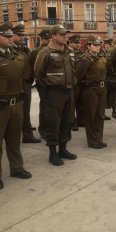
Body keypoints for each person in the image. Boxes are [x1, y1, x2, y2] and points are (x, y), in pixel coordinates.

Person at [34, 25, 77, 166]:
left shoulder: (69, 51)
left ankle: (63, 149)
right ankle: (52, 152)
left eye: (66, 34)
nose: (66, 37)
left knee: (68, 120)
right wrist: (48, 88)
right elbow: (38, 73)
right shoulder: (45, 52)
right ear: (53, 36)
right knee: (53, 122)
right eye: (62, 34)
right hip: (55, 93)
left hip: (69, 91)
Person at [0, 22, 32, 190]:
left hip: (16, 102)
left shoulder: (16, 54)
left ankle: (17, 168)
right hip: (1, 106)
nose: (10, 38)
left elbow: (24, 75)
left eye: (10, 36)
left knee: (14, 140)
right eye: (6, 36)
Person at [75, 36, 107, 149]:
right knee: (90, 116)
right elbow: (78, 76)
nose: (98, 47)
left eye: (99, 45)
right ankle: (92, 140)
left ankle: (99, 138)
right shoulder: (85, 59)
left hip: (102, 89)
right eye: (95, 45)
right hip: (90, 90)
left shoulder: (102, 57)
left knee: (100, 115)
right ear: (89, 46)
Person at [11, 24, 41, 143]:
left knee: (26, 109)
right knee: (15, 113)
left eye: (22, 35)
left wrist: (31, 77)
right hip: (16, 85)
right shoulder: (10, 50)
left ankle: (27, 135)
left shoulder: (24, 49)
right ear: (12, 35)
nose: (22, 37)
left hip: (27, 84)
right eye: (19, 35)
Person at [29, 28, 51, 140]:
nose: (48, 41)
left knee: (48, 106)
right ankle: (43, 130)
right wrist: (40, 80)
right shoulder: (38, 52)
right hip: (42, 83)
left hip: (49, 83)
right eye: (47, 39)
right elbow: (34, 68)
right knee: (45, 106)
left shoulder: (50, 50)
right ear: (43, 39)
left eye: (49, 38)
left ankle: (47, 128)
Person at [68, 34, 84, 131]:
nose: (78, 44)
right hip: (72, 81)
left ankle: (81, 120)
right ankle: (72, 122)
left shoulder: (80, 53)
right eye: (76, 43)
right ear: (70, 43)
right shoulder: (68, 52)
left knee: (80, 102)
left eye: (79, 42)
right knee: (72, 104)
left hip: (80, 81)